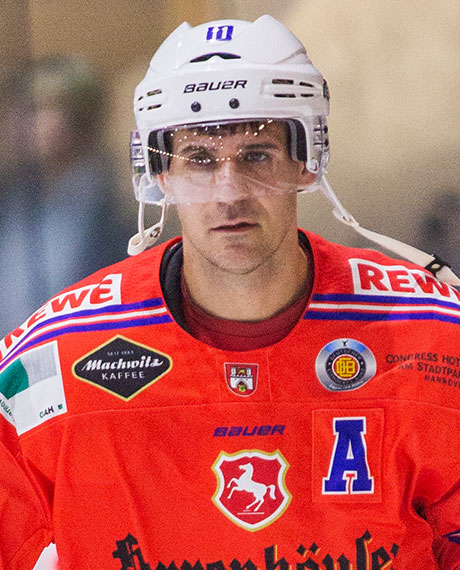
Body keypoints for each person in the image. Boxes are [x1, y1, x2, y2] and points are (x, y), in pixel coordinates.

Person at [0, 15, 460, 570]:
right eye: (199, 159)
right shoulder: (55, 359)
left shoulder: (435, 338)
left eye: (257, 155)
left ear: (307, 160)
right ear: (159, 174)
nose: (229, 193)